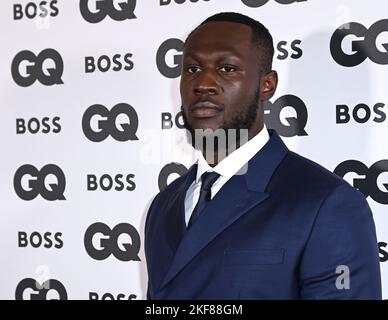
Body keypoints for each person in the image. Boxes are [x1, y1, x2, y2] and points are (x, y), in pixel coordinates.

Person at [144, 12, 382, 299]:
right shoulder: (163, 205)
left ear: (267, 85)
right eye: (193, 69)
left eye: (227, 68)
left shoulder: (327, 204)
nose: (203, 83)